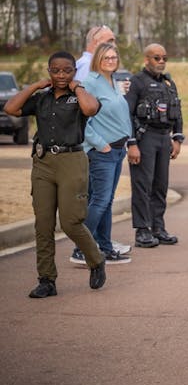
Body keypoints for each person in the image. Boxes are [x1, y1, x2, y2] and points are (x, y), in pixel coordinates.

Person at [3, 51, 106, 297]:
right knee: (44, 224)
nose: (61, 75)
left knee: (70, 221)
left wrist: (77, 87)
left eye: (66, 70)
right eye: (56, 70)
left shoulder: (80, 97)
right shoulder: (41, 98)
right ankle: (47, 280)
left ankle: (96, 259)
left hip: (72, 160)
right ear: (49, 71)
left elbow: (91, 110)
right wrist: (35, 86)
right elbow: (11, 108)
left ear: (73, 71)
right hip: (43, 162)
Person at [71, 42, 134, 266]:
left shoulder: (114, 83)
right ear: (97, 59)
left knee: (107, 202)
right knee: (99, 201)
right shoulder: (89, 83)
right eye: (106, 57)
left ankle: (105, 248)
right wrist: (100, 144)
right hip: (102, 152)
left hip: (118, 150)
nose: (110, 60)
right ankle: (80, 249)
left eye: (114, 57)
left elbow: (120, 116)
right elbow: (81, 120)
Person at [125, 43, 183, 248]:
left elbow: (177, 110)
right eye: (156, 58)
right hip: (145, 137)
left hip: (163, 138)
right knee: (142, 185)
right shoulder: (137, 82)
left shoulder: (169, 83)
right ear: (146, 59)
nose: (161, 62)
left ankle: (158, 227)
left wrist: (177, 138)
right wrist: (131, 143)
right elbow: (127, 114)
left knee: (160, 185)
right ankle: (142, 230)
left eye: (164, 58)